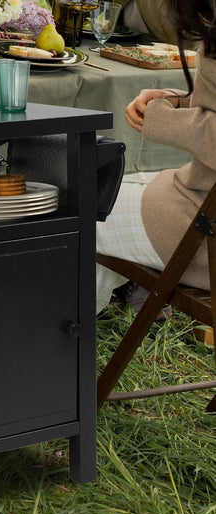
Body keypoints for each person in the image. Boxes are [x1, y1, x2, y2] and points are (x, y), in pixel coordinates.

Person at [96, 0, 216, 314]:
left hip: (202, 229)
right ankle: (107, 315)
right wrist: (178, 100)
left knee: (77, 211)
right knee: (98, 189)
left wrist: (165, 120)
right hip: (198, 200)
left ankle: (54, 335)